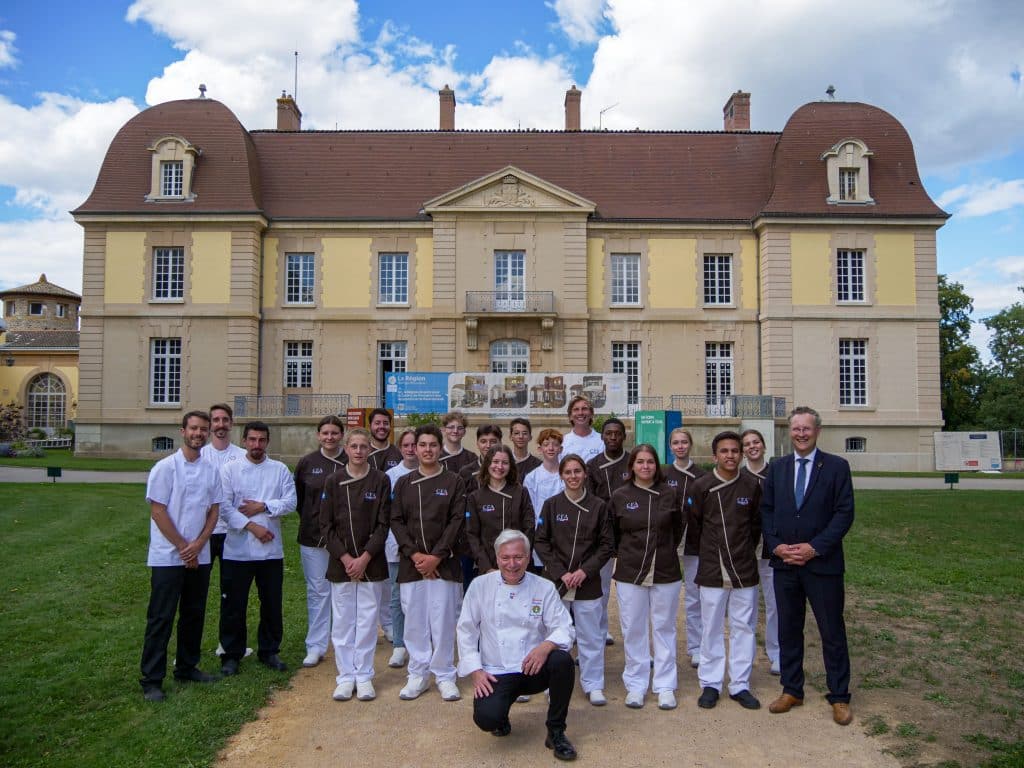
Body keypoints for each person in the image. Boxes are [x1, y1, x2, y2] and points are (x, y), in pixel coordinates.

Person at [762, 406, 855, 726]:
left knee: (832, 631)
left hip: (823, 565)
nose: (801, 434)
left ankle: (840, 696)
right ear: (789, 431)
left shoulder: (837, 467)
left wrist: (815, 548)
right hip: (786, 563)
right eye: (796, 429)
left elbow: (844, 514)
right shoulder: (778, 467)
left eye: (807, 429)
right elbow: (767, 511)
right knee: (788, 629)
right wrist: (776, 546)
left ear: (817, 431)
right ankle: (792, 689)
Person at [456, 530, 578, 761]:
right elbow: (466, 630)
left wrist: (546, 646)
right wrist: (476, 671)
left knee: (562, 661)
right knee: (487, 719)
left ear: (529, 557)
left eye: (518, 557)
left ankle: (556, 731)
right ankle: (501, 716)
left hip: (533, 667)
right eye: (505, 558)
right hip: (496, 670)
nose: (512, 564)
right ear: (497, 558)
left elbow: (565, 627)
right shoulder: (480, 586)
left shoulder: (543, 587)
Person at [140, 410, 223, 702]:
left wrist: (199, 544)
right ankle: (152, 678)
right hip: (167, 556)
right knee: (161, 617)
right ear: (183, 431)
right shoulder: (164, 468)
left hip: (198, 555)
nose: (199, 433)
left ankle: (187, 666)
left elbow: (214, 510)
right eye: (194, 429)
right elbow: (158, 510)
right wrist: (182, 546)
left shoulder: (211, 470)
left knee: (193, 613)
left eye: (203, 429)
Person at [391, 424, 466, 702]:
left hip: (444, 564)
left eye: (432, 445)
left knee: (444, 620)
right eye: (421, 445)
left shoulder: (454, 481)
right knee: (414, 620)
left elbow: (457, 521)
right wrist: (415, 555)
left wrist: (436, 556)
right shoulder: (403, 483)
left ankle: (445, 674)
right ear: (414, 448)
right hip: (413, 565)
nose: (427, 450)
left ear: (440, 447)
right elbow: (396, 520)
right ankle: (418, 674)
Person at [691, 431, 763, 711]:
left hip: (744, 566)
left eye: (735, 450)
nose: (730, 455)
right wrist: (712, 552)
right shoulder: (702, 486)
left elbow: (755, 525)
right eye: (724, 451)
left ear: (742, 454)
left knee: (743, 627)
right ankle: (710, 683)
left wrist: (743, 549)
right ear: (714, 456)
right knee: (711, 626)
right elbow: (695, 525)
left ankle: (740, 684)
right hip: (711, 567)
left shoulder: (751, 485)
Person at [534, 454, 614, 706]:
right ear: (561, 476)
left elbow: (606, 545)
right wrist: (561, 572)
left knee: (591, 637)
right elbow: (541, 541)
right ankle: (552, 682)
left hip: (587, 583)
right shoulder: (551, 505)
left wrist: (584, 571)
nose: (573, 476)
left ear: (585, 474)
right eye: (567, 472)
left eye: (577, 471)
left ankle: (593, 684)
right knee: (556, 636)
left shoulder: (599, 506)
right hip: (557, 582)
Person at [218, 421, 297, 676]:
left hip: (271, 551)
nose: (257, 445)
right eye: (252, 440)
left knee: (271, 603)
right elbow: (224, 507)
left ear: (267, 442)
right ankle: (231, 654)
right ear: (243, 441)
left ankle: (269, 650)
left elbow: (290, 502)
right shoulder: (229, 470)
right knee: (234, 604)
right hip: (237, 549)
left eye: (261, 440)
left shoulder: (279, 470)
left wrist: (263, 506)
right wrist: (253, 527)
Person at [321, 428, 392, 702]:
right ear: (346, 448)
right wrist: (347, 558)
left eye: (364, 447)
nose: (360, 451)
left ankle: (363, 675)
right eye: (355, 446)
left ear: (369, 450)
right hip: (342, 564)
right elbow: (325, 525)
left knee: (366, 620)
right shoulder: (333, 480)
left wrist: (364, 558)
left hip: (370, 564)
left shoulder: (381, 480)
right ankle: (344, 676)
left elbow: (383, 524)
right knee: (342, 622)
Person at [610, 444, 683, 710]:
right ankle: (636, 684)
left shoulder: (669, 493)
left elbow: (677, 528)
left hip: (665, 571)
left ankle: (665, 685)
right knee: (633, 629)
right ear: (632, 466)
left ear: (657, 465)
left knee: (664, 629)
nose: (645, 466)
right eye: (639, 462)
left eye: (650, 462)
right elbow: (615, 534)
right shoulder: (620, 495)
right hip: (631, 571)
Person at [292, 415, 347, 668]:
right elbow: (300, 501)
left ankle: (345, 642)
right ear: (318, 435)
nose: (330, 437)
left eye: (334, 433)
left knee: (344, 592)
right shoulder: (307, 463)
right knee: (318, 592)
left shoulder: (352, 460)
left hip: (346, 540)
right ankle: (316, 645)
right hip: (313, 538)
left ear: (341, 435)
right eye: (325, 433)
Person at [200, 403, 247, 658]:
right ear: (210, 425)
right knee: (196, 593)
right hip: (203, 535)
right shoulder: (200, 455)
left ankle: (228, 645)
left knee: (232, 594)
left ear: (231, 423)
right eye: (215, 420)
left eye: (224, 420)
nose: (220, 425)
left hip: (232, 533)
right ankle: (189, 649)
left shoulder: (241, 455)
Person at [662, 427, 707, 668]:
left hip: (694, 540)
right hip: (667, 540)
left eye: (684, 442)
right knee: (662, 595)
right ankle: (660, 647)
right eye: (676, 443)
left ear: (690, 445)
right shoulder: (663, 474)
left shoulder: (700, 475)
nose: (680, 446)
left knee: (693, 594)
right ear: (670, 447)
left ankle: (696, 646)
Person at [585, 417, 629, 647]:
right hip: (603, 532)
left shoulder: (633, 462)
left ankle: (633, 636)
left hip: (631, 533)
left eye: (617, 434)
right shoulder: (592, 466)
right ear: (602, 436)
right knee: (600, 587)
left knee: (630, 589)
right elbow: (590, 501)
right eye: (609, 433)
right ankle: (601, 631)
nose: (613, 437)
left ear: (624, 436)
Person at [741, 428, 779, 675]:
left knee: (775, 602)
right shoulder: (738, 476)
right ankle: (747, 653)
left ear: (764, 446)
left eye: (756, 442)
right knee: (747, 603)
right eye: (747, 444)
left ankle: (776, 651)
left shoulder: (775, 474)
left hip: (770, 546)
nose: (752, 446)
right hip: (744, 547)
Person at [466, 445, 535, 574]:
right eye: (495, 462)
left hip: (517, 566)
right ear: (487, 464)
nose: (500, 467)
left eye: (505, 463)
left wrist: (520, 559)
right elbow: (472, 535)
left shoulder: (520, 492)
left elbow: (529, 528)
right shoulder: (475, 497)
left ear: (511, 466)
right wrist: (486, 567)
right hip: (488, 568)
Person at [384, 428, 418, 668]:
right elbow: (389, 514)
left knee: (420, 598)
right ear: (400, 448)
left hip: (423, 547)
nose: (411, 449)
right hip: (397, 545)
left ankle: (419, 643)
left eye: (415, 444)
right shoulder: (390, 476)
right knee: (397, 597)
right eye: (406, 445)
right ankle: (399, 645)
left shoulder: (434, 473)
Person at [523, 429, 566, 572]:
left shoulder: (568, 475)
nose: (551, 448)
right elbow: (530, 509)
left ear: (561, 449)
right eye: (547, 444)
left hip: (566, 532)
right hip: (541, 535)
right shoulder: (532, 477)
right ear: (540, 449)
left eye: (555, 444)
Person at [458, 424, 503, 496]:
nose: (488, 445)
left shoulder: (507, 471)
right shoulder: (466, 472)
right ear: (477, 443)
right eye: (483, 441)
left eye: (493, 441)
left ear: (500, 443)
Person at [559, 396, 604, 463]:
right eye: (576, 409)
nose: (580, 413)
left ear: (591, 414)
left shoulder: (602, 441)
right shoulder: (563, 442)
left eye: (584, 409)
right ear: (570, 416)